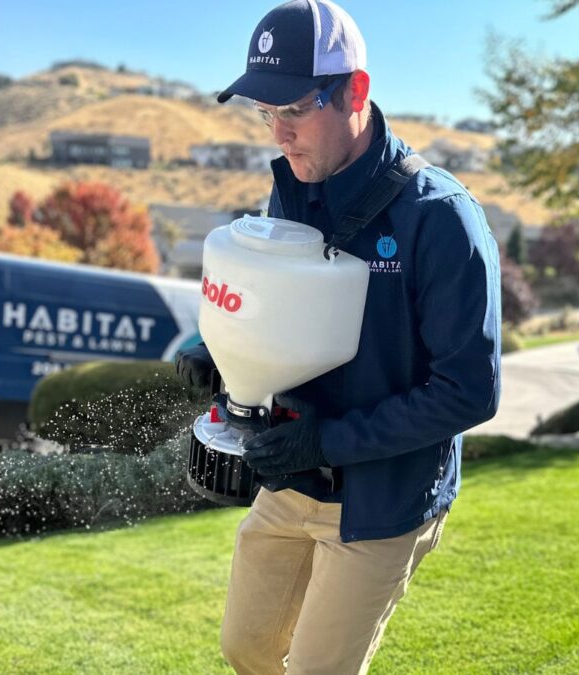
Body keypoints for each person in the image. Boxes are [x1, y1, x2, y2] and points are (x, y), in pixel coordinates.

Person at [175, 1, 502, 672]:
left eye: (294, 110)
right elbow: (279, 313)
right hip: (292, 478)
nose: (280, 134)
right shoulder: (292, 194)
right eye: (267, 114)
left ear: (355, 90)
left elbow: (469, 391)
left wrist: (328, 439)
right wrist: (219, 351)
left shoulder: (440, 219)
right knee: (247, 646)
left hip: (383, 497)